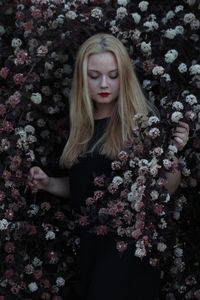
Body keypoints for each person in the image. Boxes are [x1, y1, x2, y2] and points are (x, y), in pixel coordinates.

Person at [28, 33, 189, 300]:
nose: (104, 84)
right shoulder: (81, 128)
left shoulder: (140, 124)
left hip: (127, 257)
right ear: (82, 78)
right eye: (94, 75)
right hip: (92, 253)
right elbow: (86, 187)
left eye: (113, 75)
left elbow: (167, 188)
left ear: (124, 76)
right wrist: (48, 183)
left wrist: (172, 153)